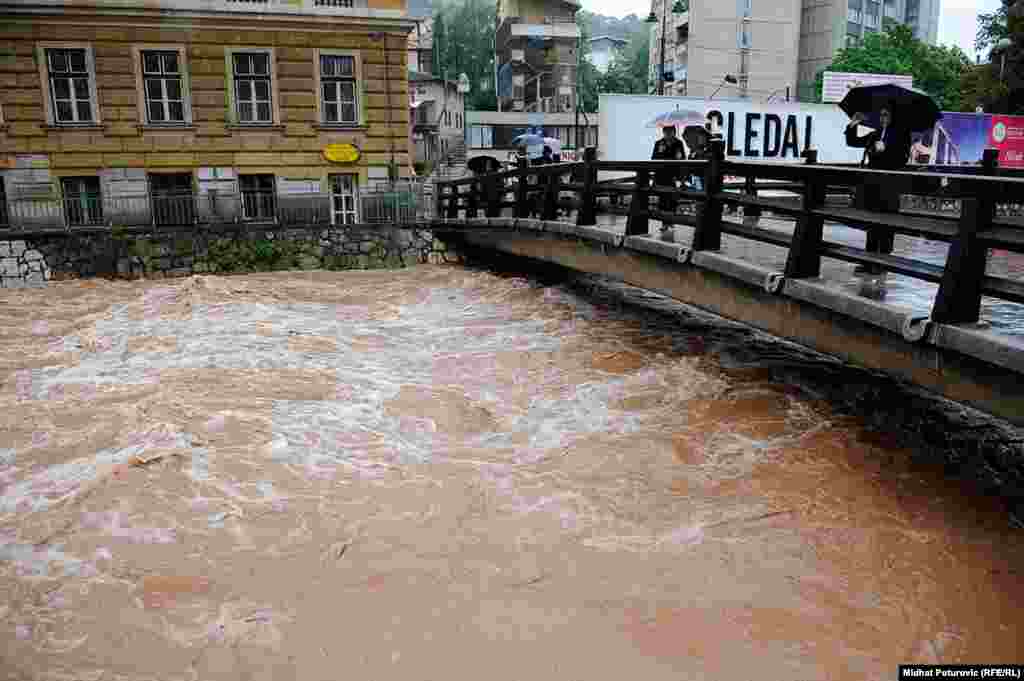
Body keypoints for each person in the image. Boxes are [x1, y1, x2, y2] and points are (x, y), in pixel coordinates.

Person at [844, 104, 912, 273]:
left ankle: (882, 263)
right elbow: (853, 142)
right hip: (873, 184)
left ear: (893, 117)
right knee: (872, 222)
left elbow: (902, 159)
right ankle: (869, 261)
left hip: (889, 185)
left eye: (886, 115)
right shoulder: (875, 134)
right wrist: (853, 124)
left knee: (886, 224)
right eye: (881, 115)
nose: (883, 118)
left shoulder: (901, 135)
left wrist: (886, 150)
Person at [651, 125, 686, 214]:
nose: (668, 134)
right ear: (663, 132)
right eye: (666, 132)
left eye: (670, 131)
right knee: (662, 198)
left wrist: (681, 177)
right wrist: (660, 152)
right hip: (661, 174)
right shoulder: (659, 143)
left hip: (674, 175)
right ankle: (664, 222)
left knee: (672, 198)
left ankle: (670, 220)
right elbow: (653, 159)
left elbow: (683, 159)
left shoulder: (679, 143)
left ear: (674, 132)